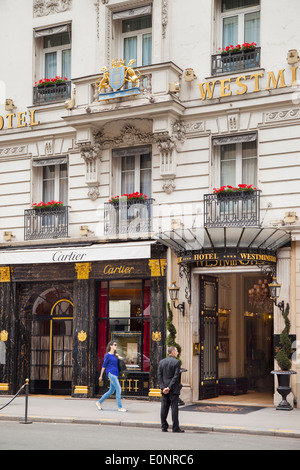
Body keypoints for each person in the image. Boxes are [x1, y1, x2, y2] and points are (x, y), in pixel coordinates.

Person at [158, 346, 184, 433]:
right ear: (172, 352)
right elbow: (176, 376)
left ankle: (164, 426)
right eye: (176, 351)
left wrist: (163, 387)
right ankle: (175, 427)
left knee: (164, 408)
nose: (177, 353)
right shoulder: (177, 362)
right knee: (174, 408)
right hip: (173, 389)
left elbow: (159, 375)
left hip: (164, 388)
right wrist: (169, 387)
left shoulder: (161, 362)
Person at [96, 340, 127, 412]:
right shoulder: (107, 355)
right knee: (119, 389)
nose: (116, 346)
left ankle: (99, 402)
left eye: (116, 345)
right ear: (111, 346)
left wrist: (118, 357)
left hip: (116, 374)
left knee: (111, 391)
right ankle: (120, 407)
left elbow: (121, 363)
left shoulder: (115, 355)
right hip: (111, 373)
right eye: (115, 345)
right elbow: (104, 365)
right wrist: (101, 375)